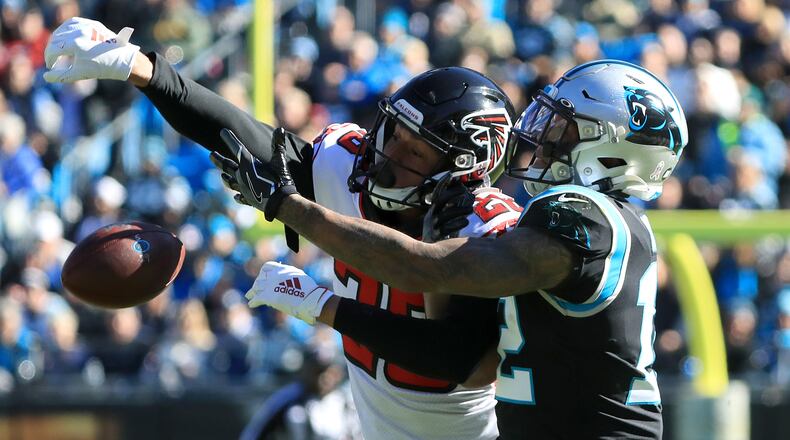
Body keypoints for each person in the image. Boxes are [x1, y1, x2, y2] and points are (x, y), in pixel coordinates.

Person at [43, 17, 522, 439]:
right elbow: (248, 140)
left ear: (463, 168)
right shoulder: (348, 168)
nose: (387, 155)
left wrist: (322, 305)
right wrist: (143, 69)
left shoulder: (482, 232)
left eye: (414, 150)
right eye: (393, 133)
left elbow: (452, 358)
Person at [216, 60, 688, 439]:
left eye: (564, 129)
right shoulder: (599, 219)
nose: (542, 138)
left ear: (615, 151)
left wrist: (288, 207)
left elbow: (424, 271)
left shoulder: (584, 216)